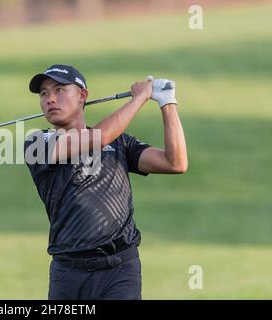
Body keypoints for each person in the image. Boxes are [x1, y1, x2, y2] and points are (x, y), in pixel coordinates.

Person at [23, 64, 187, 300]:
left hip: (120, 270)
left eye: (59, 90)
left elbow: (176, 163)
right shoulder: (36, 143)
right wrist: (139, 98)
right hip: (68, 272)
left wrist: (167, 103)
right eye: (44, 93)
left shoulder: (120, 143)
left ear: (82, 96)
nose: (50, 99)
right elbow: (99, 137)